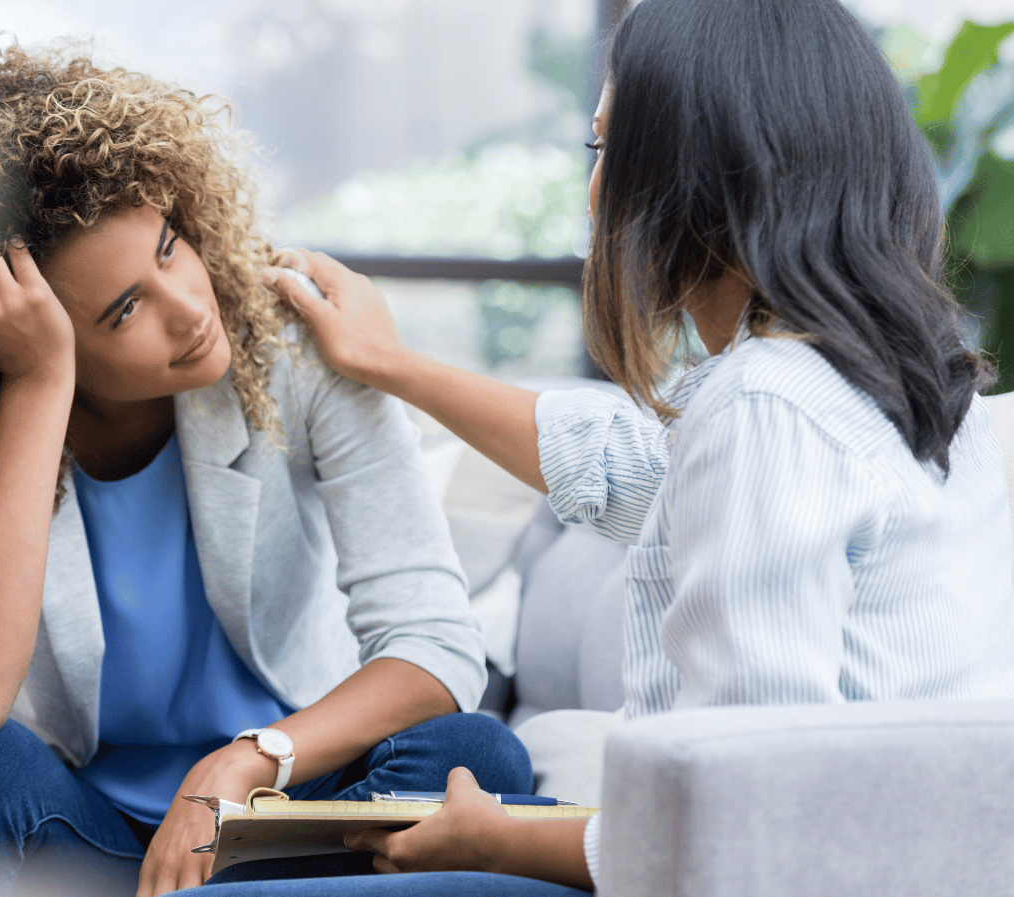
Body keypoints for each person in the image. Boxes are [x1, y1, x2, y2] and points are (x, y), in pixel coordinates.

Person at [197, 0, 1014, 893]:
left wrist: (493, 841)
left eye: (603, 151)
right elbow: (632, 473)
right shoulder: (908, 397)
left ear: (695, 175)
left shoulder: (768, 406)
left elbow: (744, 809)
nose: (594, 193)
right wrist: (390, 364)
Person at [0, 40, 533, 897]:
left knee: (476, 755)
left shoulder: (296, 351)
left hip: (286, 818)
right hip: (89, 833)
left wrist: (246, 761)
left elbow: (434, 644)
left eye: (168, 247)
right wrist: (41, 384)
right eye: (124, 311)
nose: (190, 308)